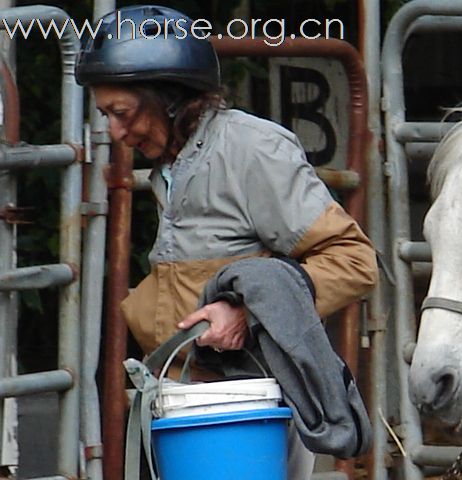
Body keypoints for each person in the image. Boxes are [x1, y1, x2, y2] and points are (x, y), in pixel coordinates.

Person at [75, 5, 378, 479]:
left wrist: (247, 311)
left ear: (170, 98)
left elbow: (354, 261)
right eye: (107, 116)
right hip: (192, 405)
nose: (116, 132)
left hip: (248, 411)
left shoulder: (252, 150)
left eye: (123, 113)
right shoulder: (173, 165)